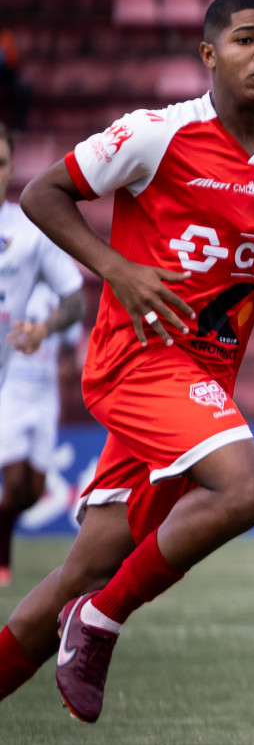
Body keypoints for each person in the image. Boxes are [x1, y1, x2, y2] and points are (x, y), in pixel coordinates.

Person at [0, 0, 254, 722]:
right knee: (247, 490)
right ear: (208, 55)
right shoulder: (156, 134)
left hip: (203, 377)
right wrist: (115, 267)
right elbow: (45, 194)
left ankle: (84, 611)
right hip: (135, 360)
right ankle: (104, 621)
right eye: (245, 39)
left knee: (85, 567)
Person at [0, 122, 89, 587]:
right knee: (15, 484)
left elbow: (76, 301)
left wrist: (47, 329)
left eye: (0, 163)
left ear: (11, 167)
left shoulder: (29, 233)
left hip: (33, 382)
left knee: (30, 490)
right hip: (9, 388)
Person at [0, 283, 86, 587]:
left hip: (45, 400)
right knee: (13, 483)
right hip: (10, 397)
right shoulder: (11, 283)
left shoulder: (59, 294)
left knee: (34, 492)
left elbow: (70, 343)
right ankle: (3, 564)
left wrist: (67, 366)